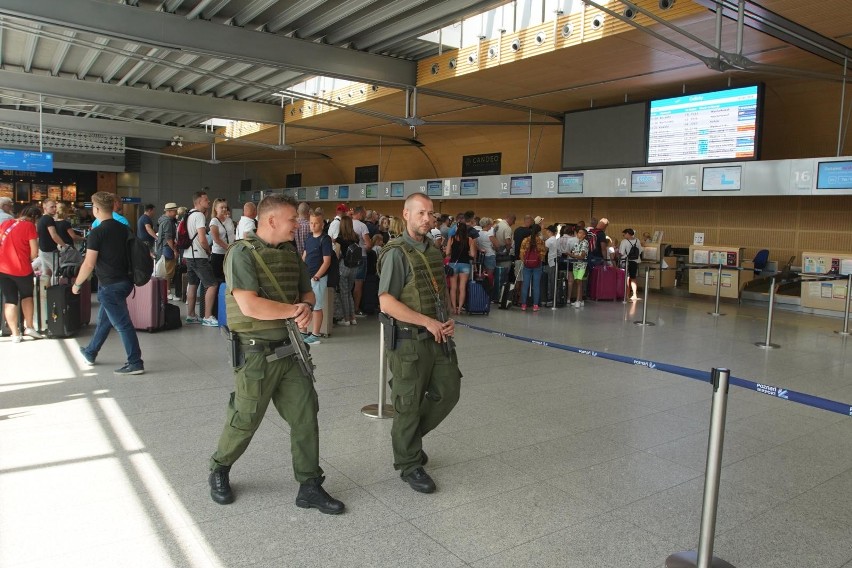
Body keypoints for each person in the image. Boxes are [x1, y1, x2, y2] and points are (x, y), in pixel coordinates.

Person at [208, 194, 344, 515]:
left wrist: (307, 306)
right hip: (255, 354)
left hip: (290, 351)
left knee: (305, 414)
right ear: (270, 221)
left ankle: (309, 484)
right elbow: (249, 305)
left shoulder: (289, 254)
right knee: (246, 418)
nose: (296, 225)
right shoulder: (240, 254)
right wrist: (294, 310)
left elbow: (308, 291)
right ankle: (219, 467)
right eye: (291, 220)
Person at [377, 193, 461, 494]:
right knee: (408, 403)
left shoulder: (433, 251)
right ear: (406, 214)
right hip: (409, 343)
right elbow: (386, 302)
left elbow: (438, 293)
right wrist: (425, 321)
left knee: (449, 389)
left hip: (438, 339)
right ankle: (409, 463)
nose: (427, 219)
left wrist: (447, 319)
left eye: (431, 214)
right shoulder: (396, 253)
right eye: (421, 213)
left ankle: (408, 440)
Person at [74, 192, 144, 375]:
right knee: (105, 319)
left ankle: (135, 362)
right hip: (125, 282)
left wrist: (77, 284)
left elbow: (89, 263)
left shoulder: (96, 233)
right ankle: (90, 352)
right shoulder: (124, 228)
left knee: (123, 324)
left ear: (96, 209)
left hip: (109, 285)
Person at [0, 205, 45, 342]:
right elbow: (34, 252)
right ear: (35, 218)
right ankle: (29, 327)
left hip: (3, 268)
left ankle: (15, 334)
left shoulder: (6, 223)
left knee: (10, 299)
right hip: (21, 268)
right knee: (27, 296)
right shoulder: (29, 226)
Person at [184, 190, 219, 327]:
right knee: (212, 284)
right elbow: (203, 238)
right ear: (199, 201)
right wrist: (208, 250)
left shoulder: (188, 214)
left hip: (188, 255)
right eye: (206, 200)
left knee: (192, 284)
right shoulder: (199, 216)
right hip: (199, 255)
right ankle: (207, 316)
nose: (209, 201)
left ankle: (191, 315)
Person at [301, 211, 332, 344]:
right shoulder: (309, 237)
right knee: (304, 304)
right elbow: (305, 255)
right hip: (306, 275)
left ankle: (315, 334)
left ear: (322, 224)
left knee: (317, 306)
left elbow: (327, 261)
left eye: (316, 223)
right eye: (311, 223)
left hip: (317, 278)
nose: (313, 226)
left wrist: (317, 276)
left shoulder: (325, 240)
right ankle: (303, 332)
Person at [444, 220, 476, 315]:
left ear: (456, 229)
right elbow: (473, 254)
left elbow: (447, 252)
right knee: (462, 288)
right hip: (465, 264)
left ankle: (454, 308)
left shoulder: (452, 238)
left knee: (453, 288)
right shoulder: (469, 239)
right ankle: (460, 308)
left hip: (453, 264)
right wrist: (468, 252)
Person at [334, 216, 360, 326]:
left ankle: (346, 319)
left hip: (343, 267)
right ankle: (353, 317)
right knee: (349, 291)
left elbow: (336, 254)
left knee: (344, 293)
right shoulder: (356, 237)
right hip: (354, 267)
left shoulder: (339, 239)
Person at [519, 224, 547, 311]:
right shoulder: (540, 241)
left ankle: (523, 304)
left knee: (525, 285)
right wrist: (539, 260)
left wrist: (525, 261)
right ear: (538, 232)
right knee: (536, 285)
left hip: (527, 265)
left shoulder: (525, 240)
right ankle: (535, 305)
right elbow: (543, 254)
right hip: (537, 265)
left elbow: (521, 253)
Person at [36, 199, 66, 278]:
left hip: (42, 250)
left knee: (46, 274)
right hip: (50, 251)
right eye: (51, 207)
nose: (54, 209)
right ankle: (54, 289)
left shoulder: (41, 219)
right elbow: (54, 235)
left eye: (55, 207)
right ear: (45, 208)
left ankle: (46, 290)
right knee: (57, 273)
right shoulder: (49, 219)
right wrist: (65, 245)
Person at [209, 198, 236, 281]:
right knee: (218, 279)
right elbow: (216, 239)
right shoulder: (214, 221)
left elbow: (232, 235)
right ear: (215, 209)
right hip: (218, 254)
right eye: (222, 207)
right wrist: (229, 247)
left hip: (229, 253)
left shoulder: (229, 220)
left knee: (229, 277)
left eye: (225, 207)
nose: (224, 209)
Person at [155, 203, 179, 289]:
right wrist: (175, 250)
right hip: (167, 249)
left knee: (164, 272)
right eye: (174, 211)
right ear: (168, 211)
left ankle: (165, 292)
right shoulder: (168, 222)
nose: (176, 213)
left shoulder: (163, 220)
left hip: (162, 249)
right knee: (167, 272)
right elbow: (168, 238)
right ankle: (167, 291)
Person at [619, 228, 644, 301]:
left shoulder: (624, 241)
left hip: (626, 261)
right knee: (633, 278)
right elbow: (640, 250)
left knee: (627, 278)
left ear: (628, 234)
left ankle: (626, 295)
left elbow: (622, 252)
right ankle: (634, 294)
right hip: (635, 261)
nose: (623, 236)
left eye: (624, 234)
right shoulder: (637, 240)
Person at [569, 228, 590, 308]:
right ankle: (580, 300)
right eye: (578, 232)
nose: (579, 234)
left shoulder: (585, 243)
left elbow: (582, 256)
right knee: (577, 281)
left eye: (581, 232)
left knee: (579, 281)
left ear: (584, 235)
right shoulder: (577, 242)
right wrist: (572, 254)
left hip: (581, 265)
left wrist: (572, 255)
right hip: (575, 264)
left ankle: (578, 300)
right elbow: (574, 252)